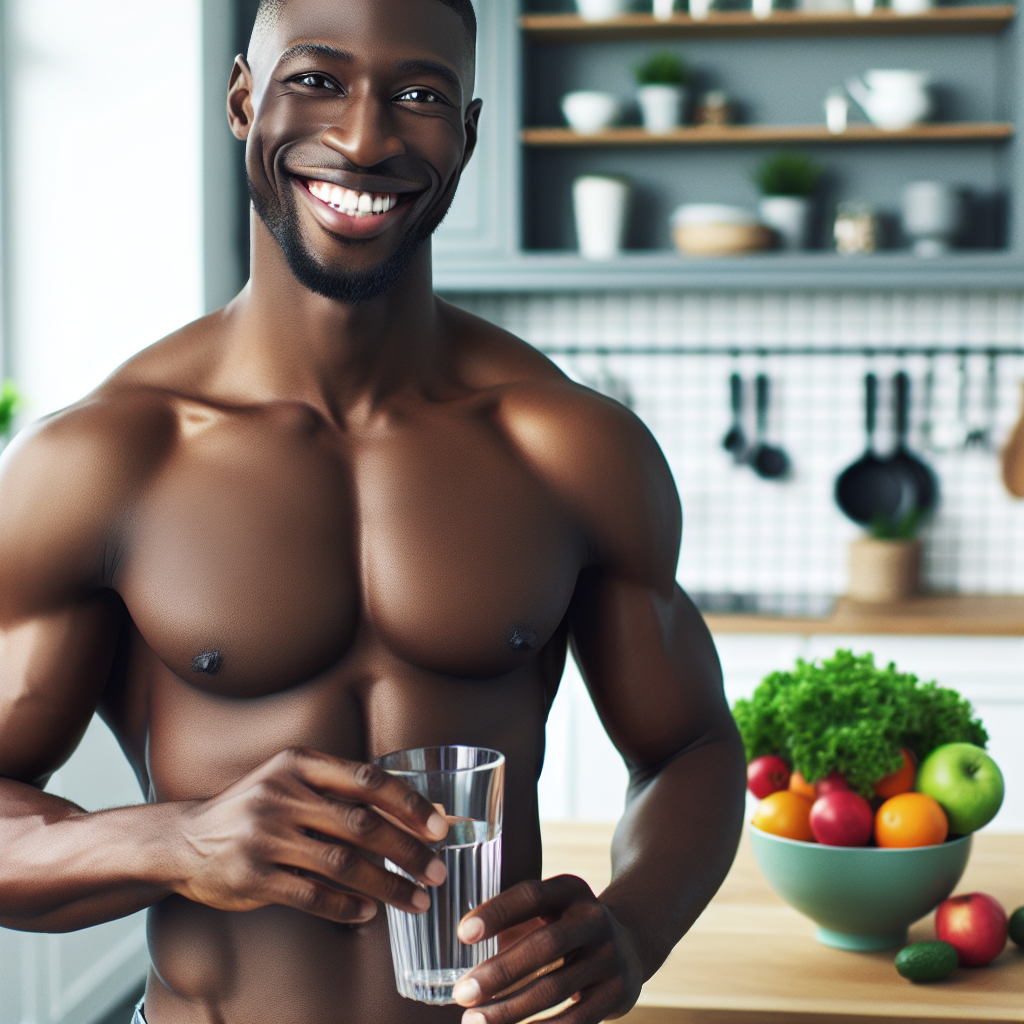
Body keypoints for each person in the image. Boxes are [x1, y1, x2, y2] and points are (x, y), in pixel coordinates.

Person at [0, 0, 746, 1021]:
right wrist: (171, 840)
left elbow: (690, 747)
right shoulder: (104, 459)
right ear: (242, 100)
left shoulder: (571, 447)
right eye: (315, 80)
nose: (363, 138)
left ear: (467, 135)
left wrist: (636, 924)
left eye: (418, 95)